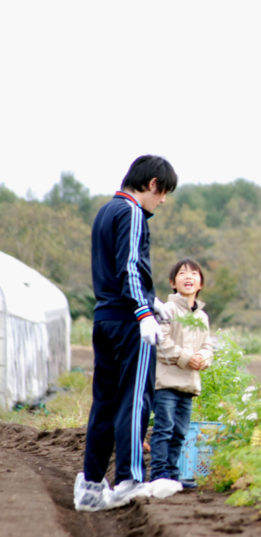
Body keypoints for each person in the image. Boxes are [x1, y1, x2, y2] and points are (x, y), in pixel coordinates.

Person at [74, 155, 178, 511]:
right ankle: (129, 479)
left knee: (103, 402)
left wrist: (154, 298)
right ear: (152, 184)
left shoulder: (106, 211)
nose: (162, 201)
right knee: (135, 398)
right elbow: (130, 266)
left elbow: (118, 269)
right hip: (129, 323)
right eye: (163, 193)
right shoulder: (133, 212)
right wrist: (145, 311)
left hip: (104, 319)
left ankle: (90, 487)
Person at [148, 258, 214, 498]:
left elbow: (208, 345)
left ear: (201, 284)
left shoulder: (202, 316)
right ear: (172, 283)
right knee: (164, 429)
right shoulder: (167, 309)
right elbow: (161, 342)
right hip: (166, 381)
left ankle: (173, 475)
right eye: (183, 274)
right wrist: (187, 358)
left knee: (179, 431)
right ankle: (159, 475)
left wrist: (203, 359)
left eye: (194, 274)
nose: (189, 278)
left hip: (189, 383)